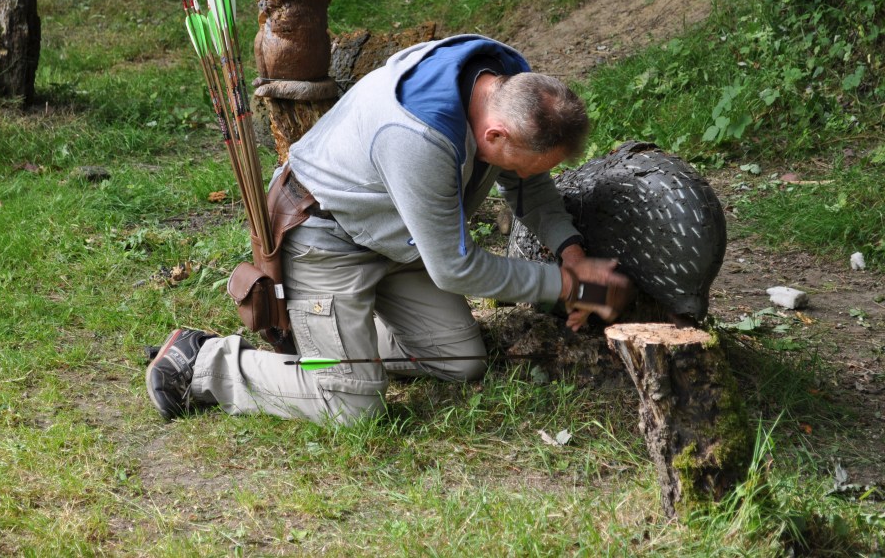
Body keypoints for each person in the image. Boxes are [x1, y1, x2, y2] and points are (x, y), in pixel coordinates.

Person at [146, 34, 632, 424]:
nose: (524, 175)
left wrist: (570, 252)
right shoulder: (417, 137)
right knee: (352, 406)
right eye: (525, 165)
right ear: (496, 135)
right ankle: (203, 362)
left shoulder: (503, 89)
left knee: (461, 361)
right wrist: (572, 285)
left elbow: (533, 189)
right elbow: (454, 267)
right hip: (325, 237)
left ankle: (327, 339)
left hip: (393, 233)